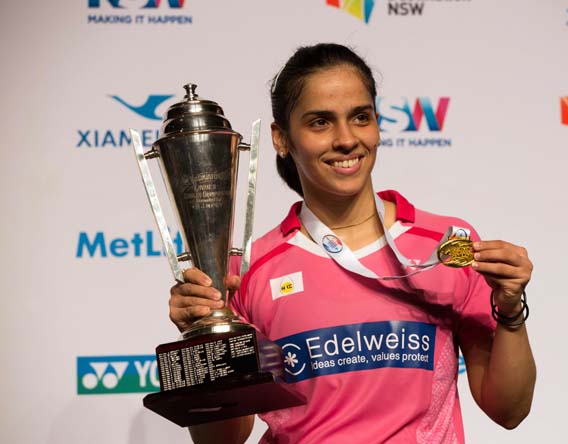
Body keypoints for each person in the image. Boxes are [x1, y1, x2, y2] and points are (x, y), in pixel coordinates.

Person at [170, 43, 536, 444]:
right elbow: (221, 439)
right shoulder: (250, 270)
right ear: (281, 139)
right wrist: (207, 339)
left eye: (360, 117)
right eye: (320, 123)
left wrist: (511, 309)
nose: (346, 140)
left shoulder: (445, 247)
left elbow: (509, 410)